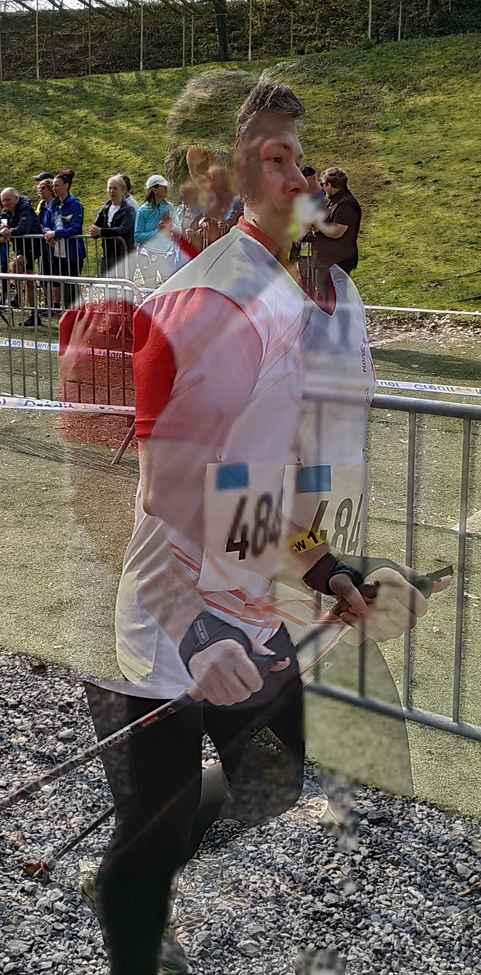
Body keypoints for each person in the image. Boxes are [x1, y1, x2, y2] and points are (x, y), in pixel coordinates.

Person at [83, 76, 444, 975]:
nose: (298, 179)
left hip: (248, 606)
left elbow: (271, 484)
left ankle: (137, 871)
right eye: (273, 158)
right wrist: (199, 630)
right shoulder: (210, 303)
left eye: (302, 161)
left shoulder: (298, 304)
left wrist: (322, 570)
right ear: (229, 174)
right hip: (172, 614)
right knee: (154, 825)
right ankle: (134, 901)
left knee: (277, 774)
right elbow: (171, 495)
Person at [0, 188, 44, 324]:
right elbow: (0, 227)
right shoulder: (6, 212)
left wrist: (8, 231)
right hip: (20, 248)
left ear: (16, 199)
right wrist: (1, 229)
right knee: (29, 282)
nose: (6, 203)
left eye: (8, 200)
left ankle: (18, 296)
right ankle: (34, 315)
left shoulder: (25, 209)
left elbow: (23, 228)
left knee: (16, 264)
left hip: (33, 246)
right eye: (3, 201)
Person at [43, 169, 86, 310]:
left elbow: (75, 228)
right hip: (56, 251)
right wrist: (47, 234)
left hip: (73, 252)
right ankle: (70, 313)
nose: (54, 188)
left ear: (66, 186)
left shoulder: (75, 204)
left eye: (57, 185)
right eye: (53, 186)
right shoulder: (52, 205)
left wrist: (55, 233)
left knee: (72, 285)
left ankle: (78, 313)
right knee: (63, 284)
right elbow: (45, 224)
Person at [134, 175, 179, 287]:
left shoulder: (169, 207)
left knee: (170, 288)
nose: (166, 189)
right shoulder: (142, 210)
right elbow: (137, 236)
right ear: (154, 190)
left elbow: (180, 230)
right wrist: (157, 232)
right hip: (147, 255)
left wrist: (171, 226)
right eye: (164, 187)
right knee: (150, 289)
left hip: (167, 254)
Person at [317, 166, 362, 277]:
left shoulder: (346, 204)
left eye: (322, 183)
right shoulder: (333, 199)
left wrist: (317, 223)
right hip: (330, 256)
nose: (321, 186)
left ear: (329, 185)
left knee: (336, 287)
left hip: (340, 258)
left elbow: (336, 231)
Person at [89, 176, 136, 277]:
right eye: (109, 188)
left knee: (124, 284)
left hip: (124, 255)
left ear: (123, 191)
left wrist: (101, 231)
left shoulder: (129, 210)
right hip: (108, 254)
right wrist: (93, 231)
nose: (111, 191)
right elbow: (96, 226)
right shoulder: (105, 209)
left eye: (115, 188)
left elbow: (123, 229)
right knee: (107, 284)